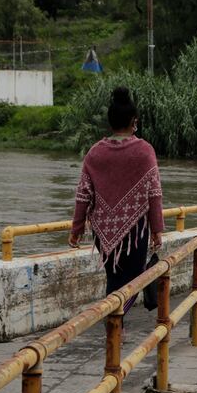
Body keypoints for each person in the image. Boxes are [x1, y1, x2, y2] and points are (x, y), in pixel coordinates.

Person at [68, 87, 164, 311]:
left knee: (114, 278)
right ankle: (114, 319)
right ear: (134, 121)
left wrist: (77, 229)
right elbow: (154, 194)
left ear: (110, 122)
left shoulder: (95, 152)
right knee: (134, 280)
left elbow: (83, 194)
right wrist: (157, 229)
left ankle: (115, 326)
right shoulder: (144, 150)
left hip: (103, 230)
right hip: (135, 230)